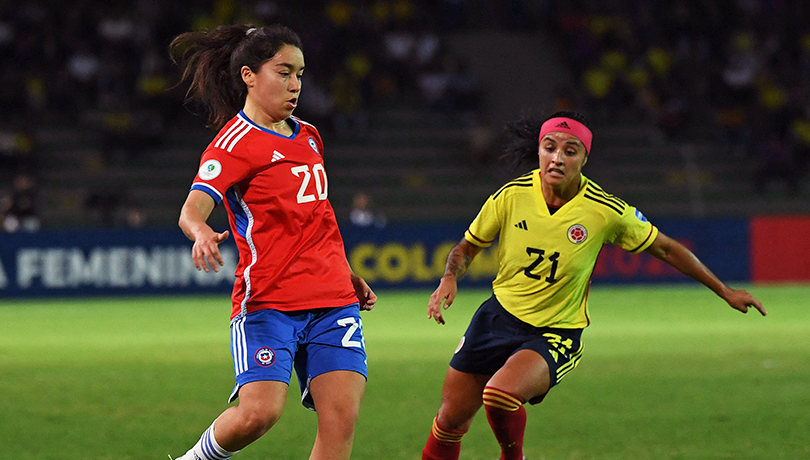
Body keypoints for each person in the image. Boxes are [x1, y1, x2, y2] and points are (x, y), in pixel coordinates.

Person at [420, 110, 767, 460]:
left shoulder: (605, 210)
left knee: (499, 396)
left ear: (585, 158)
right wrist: (449, 276)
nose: (557, 158)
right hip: (497, 319)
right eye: (549, 147)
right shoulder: (511, 196)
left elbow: (665, 247)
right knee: (449, 420)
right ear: (539, 151)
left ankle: (514, 457)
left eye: (570, 151)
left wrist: (724, 290)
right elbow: (467, 246)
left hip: (554, 331)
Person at [169, 24, 377, 460]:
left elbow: (317, 217)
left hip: (332, 299)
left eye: (300, 73)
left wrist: (346, 273)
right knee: (258, 415)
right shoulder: (233, 144)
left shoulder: (309, 136)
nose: (296, 84)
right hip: (269, 302)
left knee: (341, 421)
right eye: (284, 72)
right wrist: (201, 231)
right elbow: (192, 208)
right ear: (249, 75)